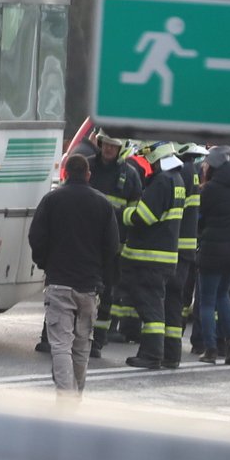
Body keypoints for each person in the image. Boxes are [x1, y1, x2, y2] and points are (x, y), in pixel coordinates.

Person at [28, 154, 120, 395]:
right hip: (88, 287)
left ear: (66, 173)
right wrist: (100, 273)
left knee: (60, 345)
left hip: (59, 283)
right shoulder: (102, 204)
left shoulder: (51, 201)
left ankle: (66, 396)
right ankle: (75, 395)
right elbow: (112, 246)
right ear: (88, 174)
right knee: (81, 347)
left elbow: (36, 238)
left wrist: (45, 262)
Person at [119, 141, 185, 369]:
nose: (148, 164)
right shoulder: (177, 179)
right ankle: (166, 354)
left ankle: (151, 355)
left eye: (150, 159)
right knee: (157, 305)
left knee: (150, 308)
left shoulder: (161, 181)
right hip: (164, 258)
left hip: (150, 259)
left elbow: (144, 217)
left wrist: (124, 213)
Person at [195, 145, 230, 365]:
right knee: (224, 295)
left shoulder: (210, 190)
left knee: (208, 301)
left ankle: (210, 349)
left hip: (214, 251)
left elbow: (201, 219)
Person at [87, 131, 142, 358]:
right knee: (81, 291)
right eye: (105, 144)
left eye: (113, 146)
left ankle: (98, 340)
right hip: (86, 243)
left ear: (120, 149)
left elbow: (136, 213)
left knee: (107, 294)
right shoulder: (88, 167)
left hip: (115, 247)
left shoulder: (130, 175)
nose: (108, 149)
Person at [162, 143, 204, 367]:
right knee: (176, 300)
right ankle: (172, 353)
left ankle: (170, 354)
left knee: (171, 299)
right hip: (186, 248)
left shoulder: (183, 173)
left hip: (178, 247)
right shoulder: (192, 172)